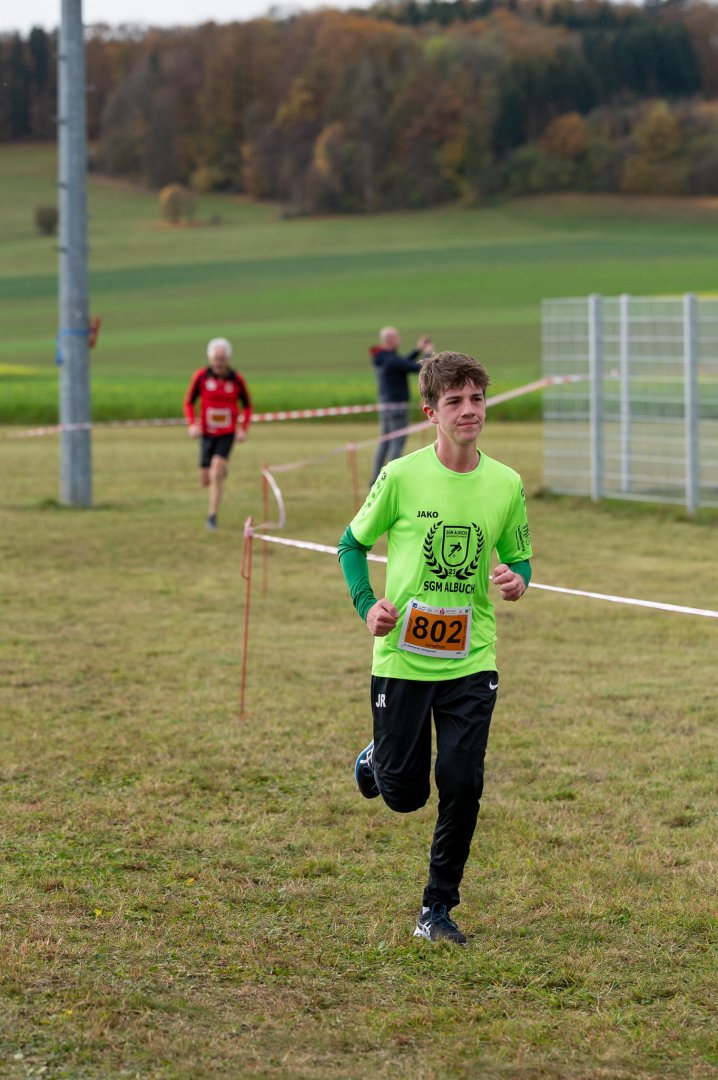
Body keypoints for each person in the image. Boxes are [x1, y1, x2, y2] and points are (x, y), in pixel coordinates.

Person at [338, 351, 532, 945]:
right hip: (402, 656)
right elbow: (350, 544)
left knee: (462, 781)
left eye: (476, 399)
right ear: (430, 412)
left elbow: (518, 556)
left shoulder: (506, 483)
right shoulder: (400, 477)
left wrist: (517, 579)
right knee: (405, 796)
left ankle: (437, 909)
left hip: (472, 657)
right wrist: (367, 605)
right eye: (455, 401)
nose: (469, 410)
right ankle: (379, 757)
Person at [183, 337, 252, 531]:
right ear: (210, 358)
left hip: (227, 433)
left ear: (228, 358)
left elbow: (247, 406)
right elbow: (188, 402)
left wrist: (243, 428)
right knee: (205, 479)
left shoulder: (236, 379)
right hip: (206, 433)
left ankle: (212, 516)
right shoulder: (201, 376)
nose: (218, 363)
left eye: (222, 359)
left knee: (216, 472)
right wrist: (192, 424)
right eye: (216, 359)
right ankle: (218, 472)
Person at [369, 326, 433, 486]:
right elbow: (415, 368)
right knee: (397, 443)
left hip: (385, 405)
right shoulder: (391, 360)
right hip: (397, 407)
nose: (400, 340)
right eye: (397, 337)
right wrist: (428, 354)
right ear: (390, 340)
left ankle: (375, 479)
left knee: (384, 442)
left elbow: (403, 363)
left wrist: (417, 350)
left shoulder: (382, 358)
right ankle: (391, 480)